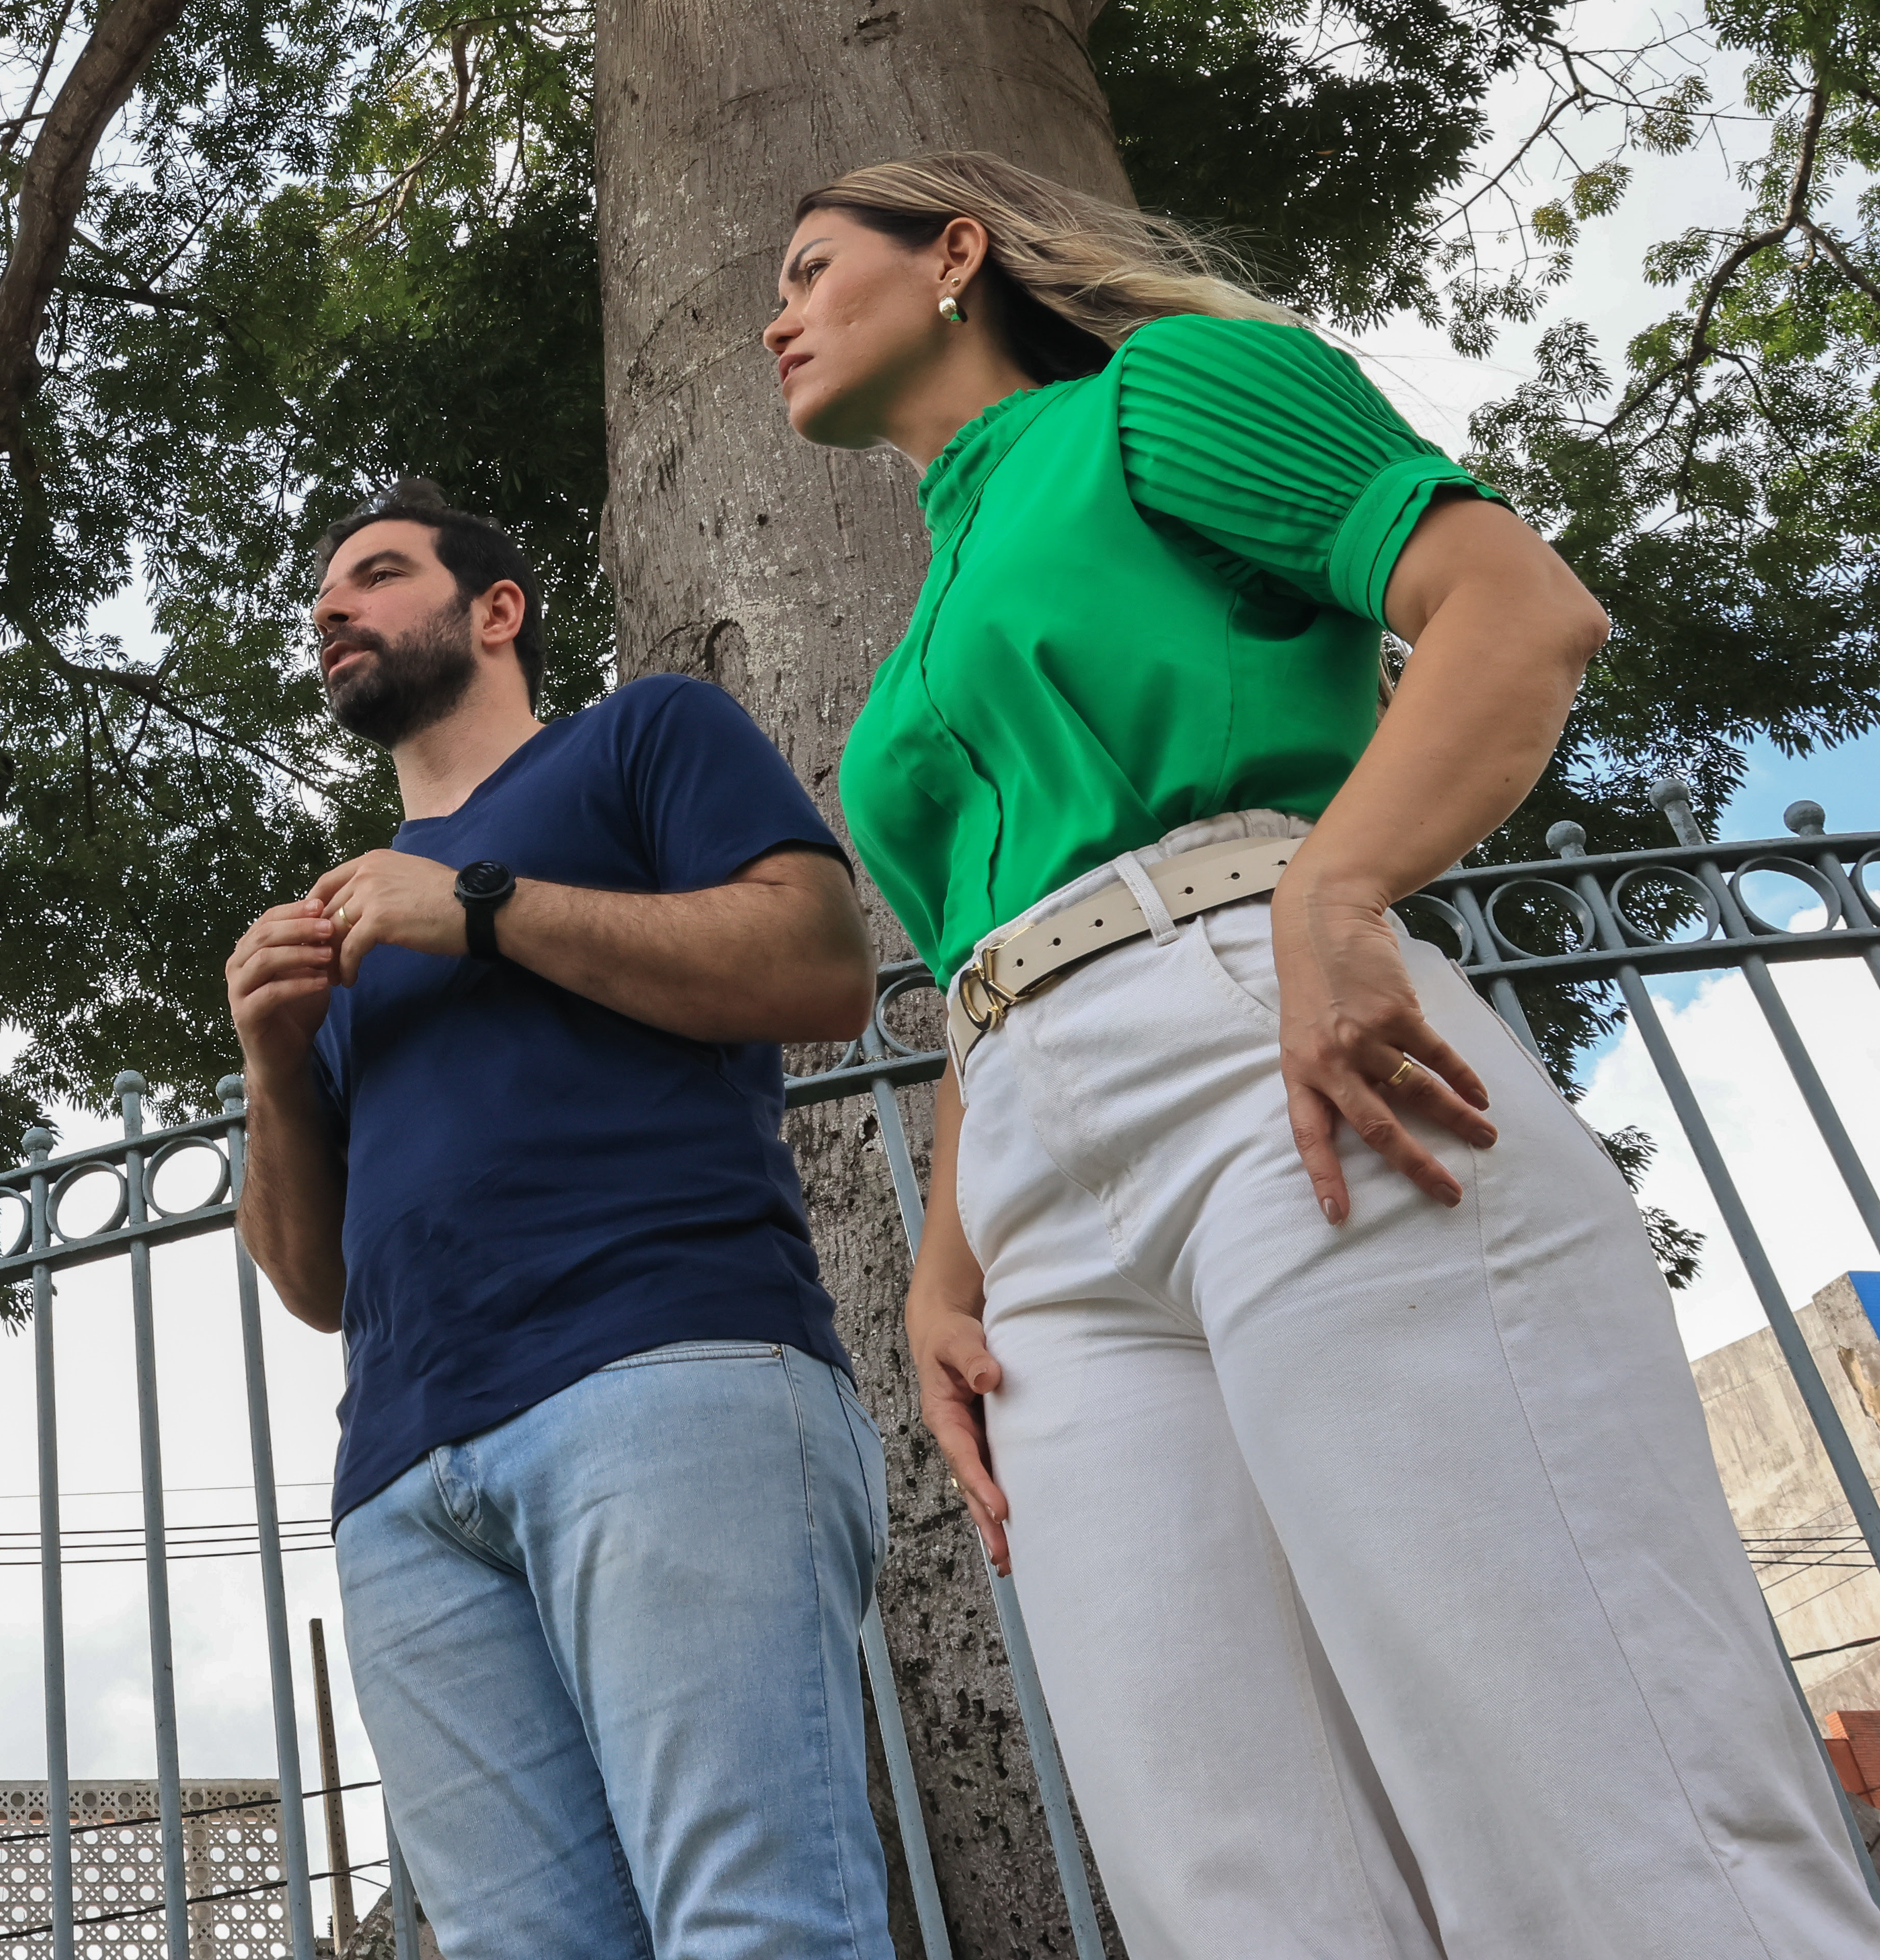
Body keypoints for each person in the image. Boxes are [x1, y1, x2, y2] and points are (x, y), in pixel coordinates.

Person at [770, 150, 1880, 1958]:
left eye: (817, 267)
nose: (778, 313)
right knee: (1231, 1884)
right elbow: (980, 962)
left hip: (1273, 1045)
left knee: (1592, 1796)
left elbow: (1517, 609)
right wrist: (942, 1273)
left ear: (958, 255)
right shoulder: (916, 638)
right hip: (1047, 1233)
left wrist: (1339, 896)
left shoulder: (1160, 394)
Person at [222, 479, 899, 1960]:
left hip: (667, 1373)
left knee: (758, 1921)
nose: (332, 609)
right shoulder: (348, 918)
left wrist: (479, 905)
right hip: (401, 1486)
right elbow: (310, 1279)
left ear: (498, 611)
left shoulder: (645, 735)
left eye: (377, 576)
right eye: (322, 597)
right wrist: (275, 1065)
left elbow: (820, 965)